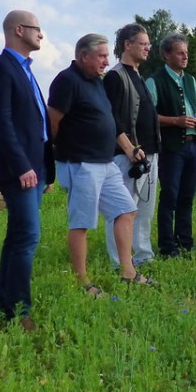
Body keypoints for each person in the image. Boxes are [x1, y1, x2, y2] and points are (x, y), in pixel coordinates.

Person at [47, 33, 152, 295]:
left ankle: (128, 272)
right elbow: (52, 123)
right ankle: (82, 282)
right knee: (81, 222)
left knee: (126, 210)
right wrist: (59, 152)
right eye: (102, 56)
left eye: (107, 56)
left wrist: (129, 148)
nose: (106, 61)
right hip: (81, 163)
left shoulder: (97, 81)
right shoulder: (67, 81)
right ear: (84, 56)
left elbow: (111, 120)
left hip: (106, 163)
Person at [0, 10, 55, 331]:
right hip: (19, 169)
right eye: (37, 29)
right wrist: (22, 166)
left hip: (36, 167)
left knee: (18, 237)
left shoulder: (24, 69)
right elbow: (1, 123)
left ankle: (7, 305)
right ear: (19, 30)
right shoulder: (0, 68)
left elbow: (35, 122)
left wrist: (45, 168)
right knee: (28, 236)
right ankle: (18, 312)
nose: (42, 34)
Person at [103, 23, 161, 268]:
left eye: (149, 44)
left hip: (149, 153)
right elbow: (111, 117)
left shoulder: (138, 74)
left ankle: (143, 256)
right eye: (143, 44)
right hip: (128, 156)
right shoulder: (115, 76)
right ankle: (119, 261)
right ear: (127, 45)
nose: (148, 48)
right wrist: (128, 148)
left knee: (144, 210)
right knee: (122, 210)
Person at [146, 33, 196, 259]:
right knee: (170, 196)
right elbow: (148, 117)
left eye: (186, 53)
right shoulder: (155, 81)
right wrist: (175, 121)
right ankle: (167, 246)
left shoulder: (190, 80)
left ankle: (185, 243)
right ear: (166, 55)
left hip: (192, 145)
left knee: (187, 196)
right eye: (180, 53)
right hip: (171, 147)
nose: (185, 57)